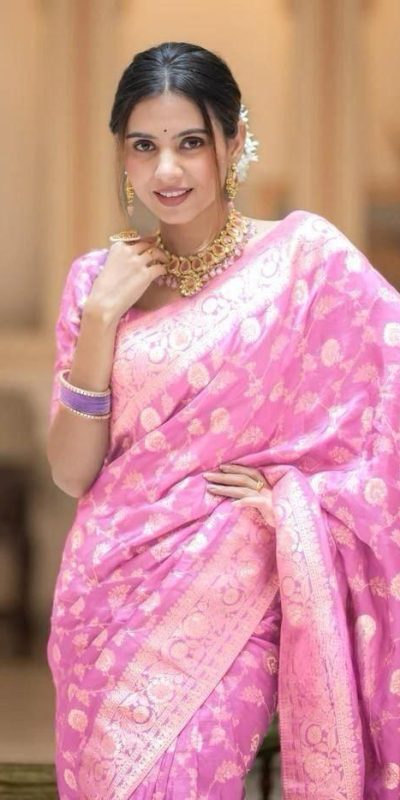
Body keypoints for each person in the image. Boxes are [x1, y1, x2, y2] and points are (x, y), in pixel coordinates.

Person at [46, 41, 400, 800]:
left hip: (232, 583)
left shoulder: (304, 261)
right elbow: (73, 473)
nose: (167, 170)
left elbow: (389, 398)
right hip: (101, 597)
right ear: (122, 154)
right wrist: (102, 319)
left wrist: (295, 497)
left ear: (234, 143)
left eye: (190, 142)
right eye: (144, 146)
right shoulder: (94, 283)